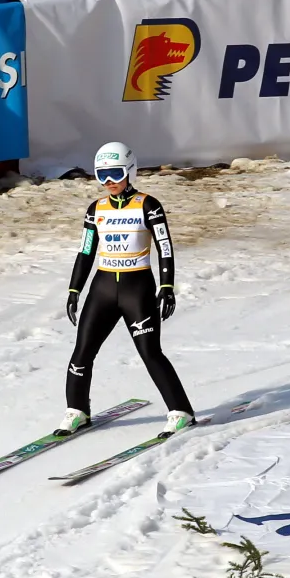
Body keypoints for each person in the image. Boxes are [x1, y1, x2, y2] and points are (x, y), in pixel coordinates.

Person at [54, 141, 196, 439]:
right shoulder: (96, 209)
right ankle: (77, 409)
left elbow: (165, 247)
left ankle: (180, 411)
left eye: (115, 174)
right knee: (82, 352)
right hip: (103, 288)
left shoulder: (148, 204)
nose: (109, 182)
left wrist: (167, 286)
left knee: (150, 352)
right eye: (102, 175)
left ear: (130, 171)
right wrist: (73, 290)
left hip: (137, 288)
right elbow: (85, 252)